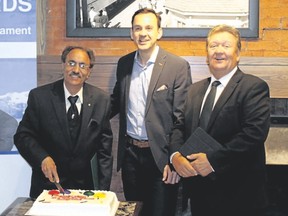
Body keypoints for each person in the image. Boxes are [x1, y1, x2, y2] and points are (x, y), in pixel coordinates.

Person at [170, 24, 270, 216]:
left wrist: (213, 161)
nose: (219, 51)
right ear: (207, 55)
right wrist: (176, 156)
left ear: (238, 53)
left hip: (239, 198)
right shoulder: (194, 90)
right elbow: (179, 127)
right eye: (213, 45)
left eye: (226, 45)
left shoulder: (254, 87)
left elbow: (254, 134)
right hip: (199, 196)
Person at [110, 8, 192, 216]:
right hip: (130, 156)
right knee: (135, 211)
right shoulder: (124, 64)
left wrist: (174, 159)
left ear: (159, 32)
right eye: (138, 28)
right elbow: (115, 101)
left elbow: (181, 118)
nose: (143, 33)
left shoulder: (177, 66)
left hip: (161, 159)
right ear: (131, 33)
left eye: (148, 28)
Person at [14, 46, 113, 199]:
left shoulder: (102, 100)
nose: (76, 70)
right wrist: (42, 158)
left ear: (89, 71)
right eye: (71, 63)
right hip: (48, 187)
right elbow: (23, 136)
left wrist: (103, 192)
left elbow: (104, 152)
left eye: (82, 65)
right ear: (63, 65)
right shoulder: (40, 97)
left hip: (85, 191)